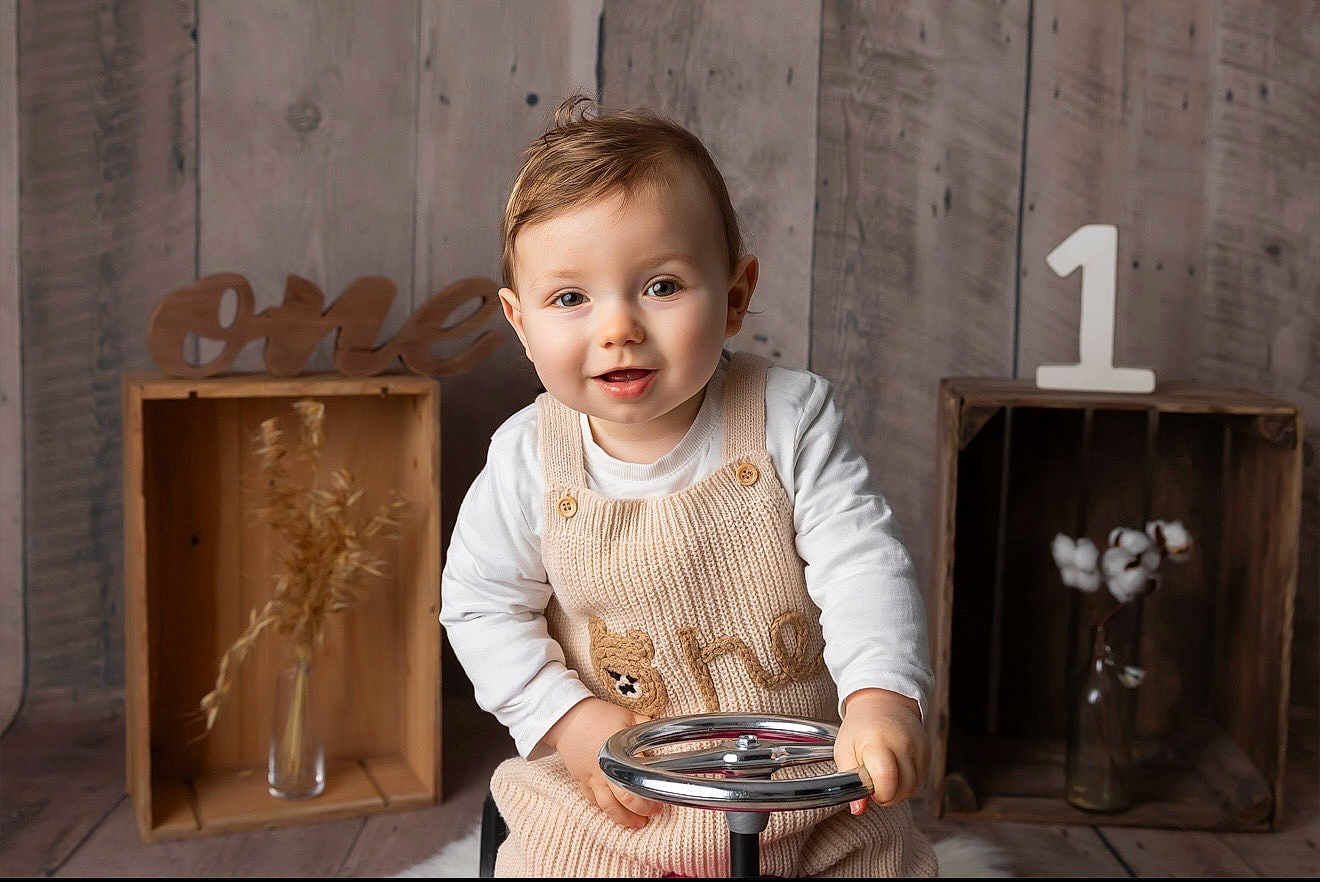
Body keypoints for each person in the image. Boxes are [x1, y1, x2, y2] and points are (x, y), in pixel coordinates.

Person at [440, 94, 938, 877]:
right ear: (520, 321)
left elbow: (864, 566)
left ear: (735, 297)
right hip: (617, 793)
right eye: (571, 298)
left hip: (800, 792)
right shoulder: (529, 457)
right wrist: (569, 722)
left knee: (878, 856)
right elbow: (480, 605)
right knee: (551, 859)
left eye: (661, 286)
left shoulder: (788, 420)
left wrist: (880, 696)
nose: (618, 328)